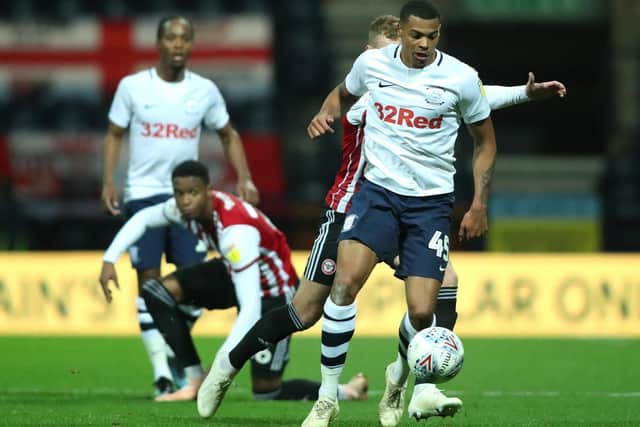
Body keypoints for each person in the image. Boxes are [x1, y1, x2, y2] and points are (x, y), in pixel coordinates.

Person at [195, 9, 567, 424]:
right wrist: (325, 111)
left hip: (413, 205)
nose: (409, 55)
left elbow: (468, 94)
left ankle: (413, 384)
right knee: (305, 310)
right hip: (350, 207)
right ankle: (231, 365)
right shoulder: (372, 87)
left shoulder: (423, 80)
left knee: (442, 285)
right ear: (370, 53)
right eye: (392, 48)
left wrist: (523, 93)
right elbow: (358, 94)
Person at [99, 160, 368, 403]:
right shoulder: (183, 210)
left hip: (273, 292)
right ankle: (193, 379)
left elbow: (250, 308)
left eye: (192, 193)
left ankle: (347, 391)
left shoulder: (235, 231)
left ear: (208, 191)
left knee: (266, 391)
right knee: (157, 292)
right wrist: (110, 259)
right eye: (179, 193)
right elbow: (144, 219)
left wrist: (220, 371)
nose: (184, 201)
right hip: (234, 273)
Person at [100, 16, 259, 396]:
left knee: (192, 284)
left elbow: (228, 133)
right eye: (171, 37)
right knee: (150, 283)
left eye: (184, 38)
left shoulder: (204, 90)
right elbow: (114, 133)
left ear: (191, 45)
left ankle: (171, 341)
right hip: (142, 193)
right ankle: (162, 374)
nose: (177, 44)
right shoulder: (133, 87)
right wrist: (108, 180)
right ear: (159, 42)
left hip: (184, 198)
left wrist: (245, 177)